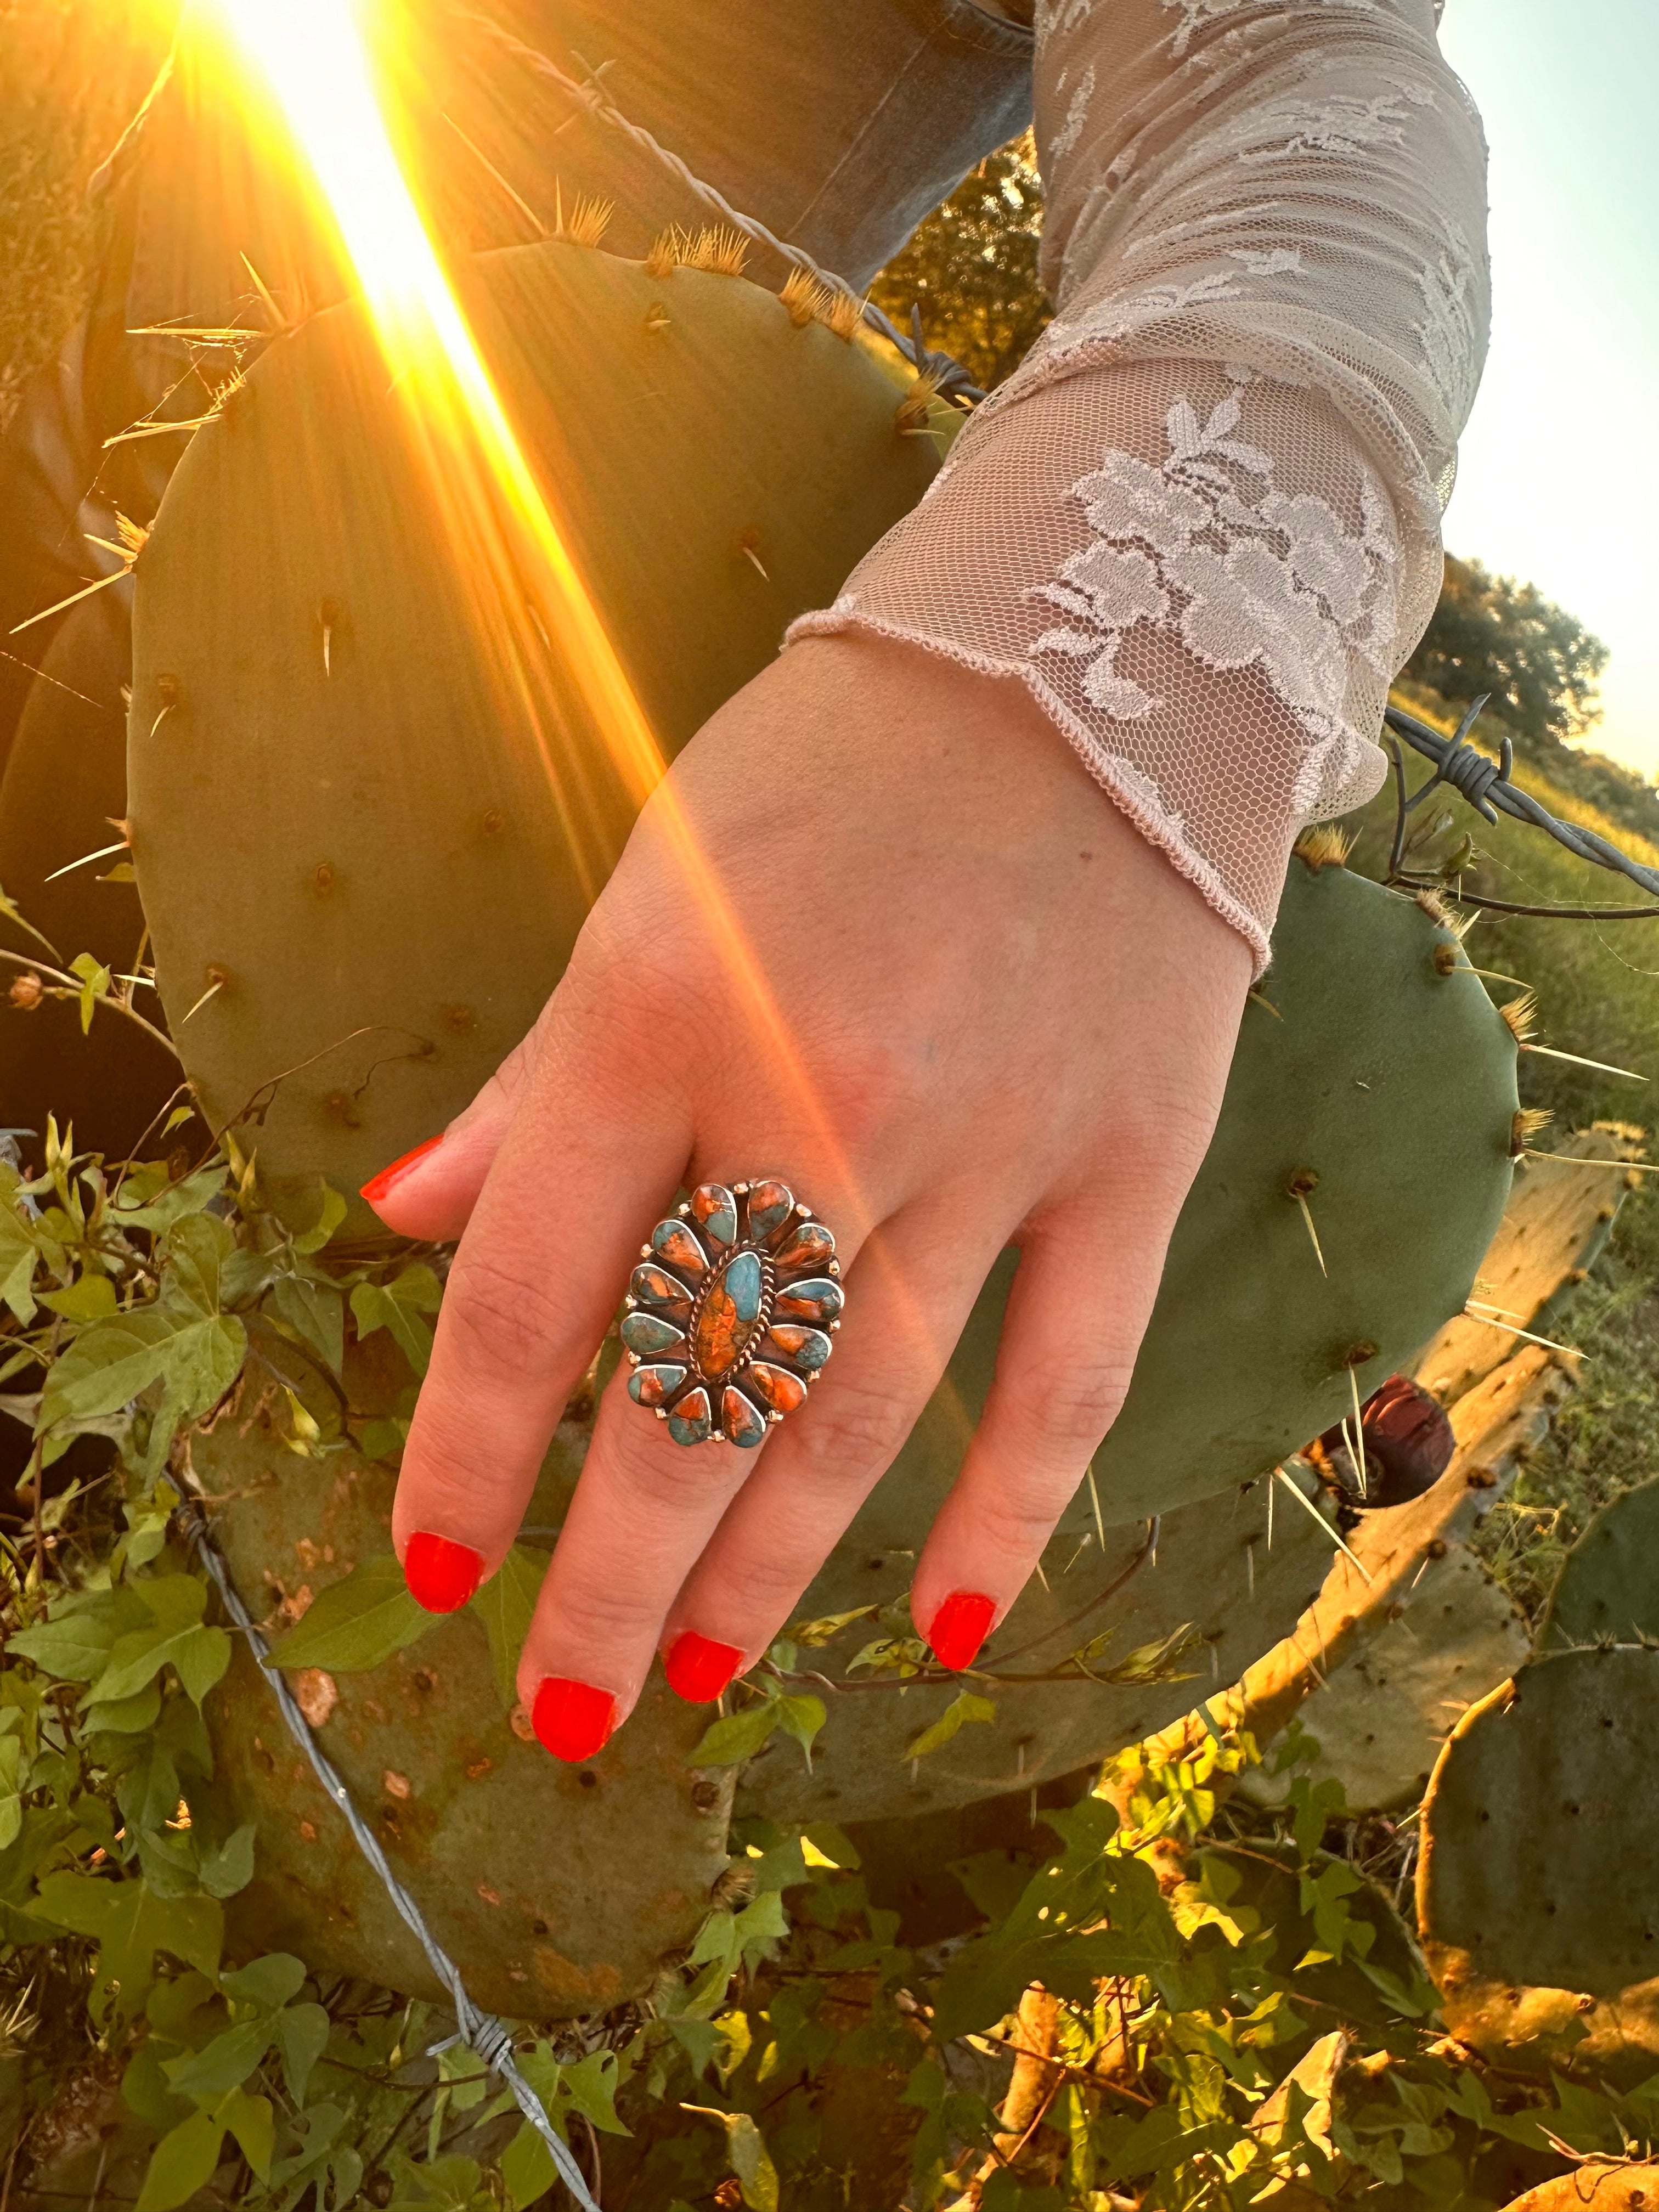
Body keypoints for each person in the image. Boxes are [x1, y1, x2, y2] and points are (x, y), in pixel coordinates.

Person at [6, 0, 1486, 1766]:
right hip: (199, 273)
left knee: (154, 1045)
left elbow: (1299, 70)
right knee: (70, 705)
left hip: (488, 544)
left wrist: (1108, 689)